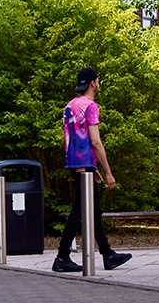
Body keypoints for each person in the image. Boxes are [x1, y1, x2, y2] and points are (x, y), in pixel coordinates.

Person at [53, 67, 132, 272]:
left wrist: (90, 165)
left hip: (76, 163)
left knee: (93, 210)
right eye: (98, 80)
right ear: (92, 84)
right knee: (78, 211)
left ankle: (107, 255)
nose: (99, 83)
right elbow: (95, 142)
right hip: (84, 164)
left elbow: (74, 140)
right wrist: (108, 171)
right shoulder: (90, 106)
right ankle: (62, 256)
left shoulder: (70, 106)